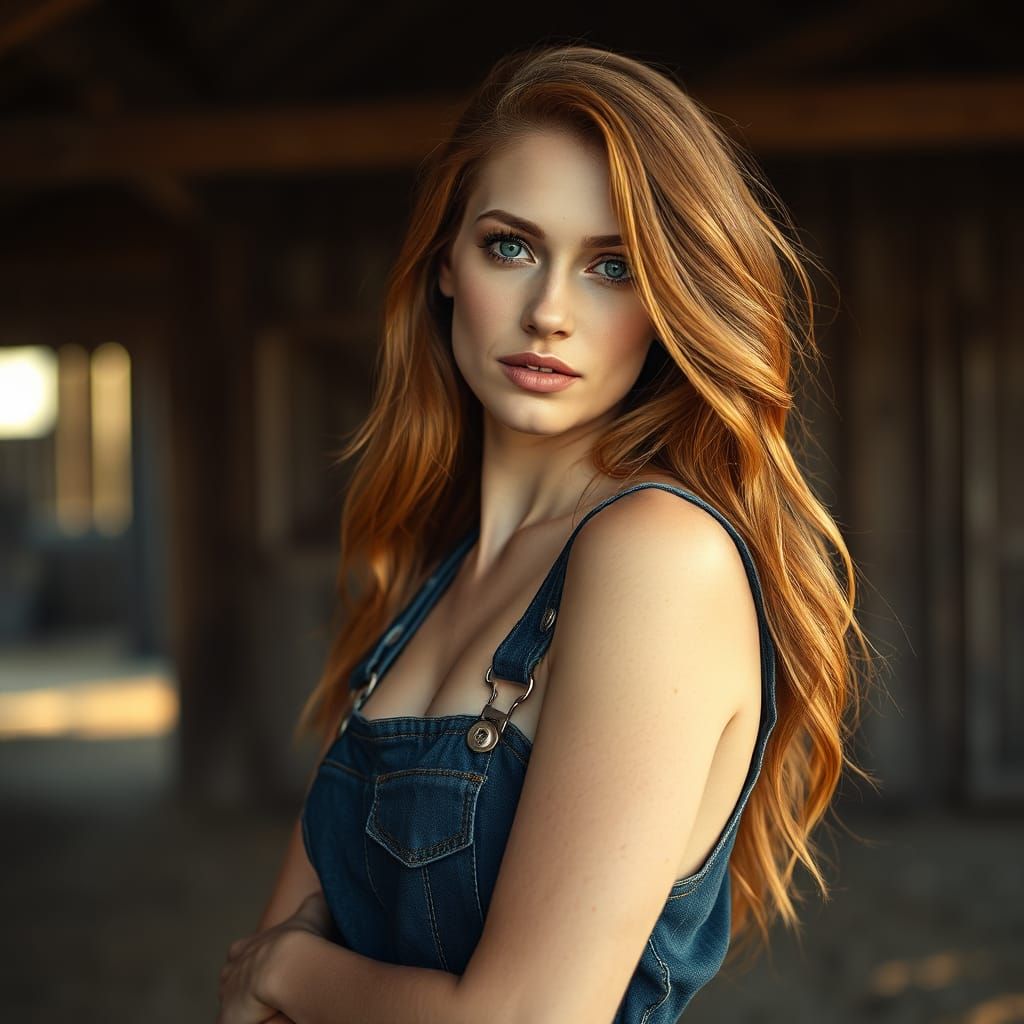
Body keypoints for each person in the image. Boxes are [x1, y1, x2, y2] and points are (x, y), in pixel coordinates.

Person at [217, 42, 877, 1024]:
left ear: (664, 304)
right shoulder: (429, 580)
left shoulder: (657, 557)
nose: (549, 312)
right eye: (510, 246)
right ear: (447, 264)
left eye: (612, 266)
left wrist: (289, 974)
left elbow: (524, 1019)